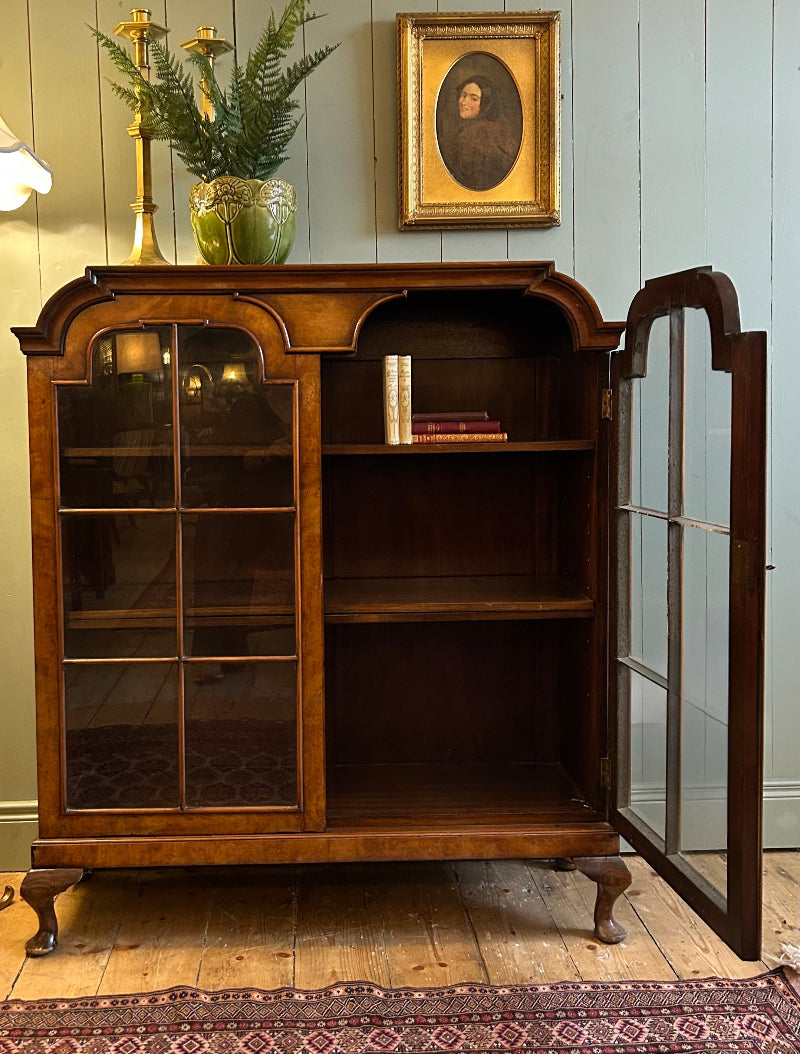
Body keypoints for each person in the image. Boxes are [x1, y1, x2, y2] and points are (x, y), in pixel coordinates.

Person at [441, 76, 519, 191]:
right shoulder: (490, 128)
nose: (463, 102)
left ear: (486, 104)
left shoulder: (479, 132)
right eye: (463, 95)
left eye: (474, 99)